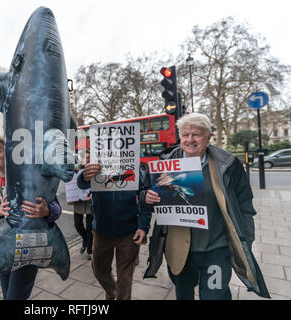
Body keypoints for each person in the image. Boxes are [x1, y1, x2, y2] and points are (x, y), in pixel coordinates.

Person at [142, 113, 270, 300]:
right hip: (180, 251)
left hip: (216, 249)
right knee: (183, 295)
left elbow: (245, 205)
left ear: (209, 137)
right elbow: (145, 197)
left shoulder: (228, 164)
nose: (190, 140)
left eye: (197, 134)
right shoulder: (165, 164)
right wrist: (147, 197)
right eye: (185, 135)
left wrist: (246, 239)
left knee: (215, 296)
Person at [0, 136, 63, 300]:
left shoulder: (30, 177)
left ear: (9, 154)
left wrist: (46, 211)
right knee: (7, 294)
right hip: (2, 250)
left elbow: (56, 209)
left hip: (27, 249)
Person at [77, 153, 151, 300]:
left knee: (125, 278)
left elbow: (145, 197)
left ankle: (118, 296)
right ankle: (114, 293)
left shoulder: (134, 168)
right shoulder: (97, 163)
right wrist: (84, 175)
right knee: (99, 270)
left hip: (129, 233)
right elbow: (81, 184)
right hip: (101, 232)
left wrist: (143, 226)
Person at [73, 149, 93, 260]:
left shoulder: (94, 168)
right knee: (77, 224)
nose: (87, 160)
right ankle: (85, 240)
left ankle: (90, 250)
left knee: (90, 227)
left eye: (89, 157)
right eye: (86, 157)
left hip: (90, 200)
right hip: (78, 200)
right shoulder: (77, 168)